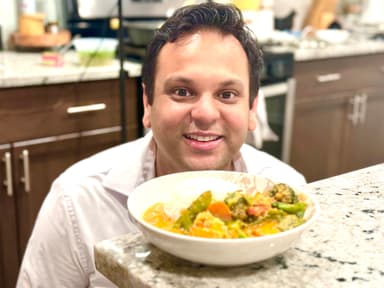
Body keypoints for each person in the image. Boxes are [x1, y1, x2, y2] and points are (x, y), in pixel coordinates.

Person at [17, 2, 305, 287]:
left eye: (227, 94)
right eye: (182, 91)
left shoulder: (287, 192)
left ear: (252, 109)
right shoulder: (78, 202)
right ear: (147, 103)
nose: (205, 113)